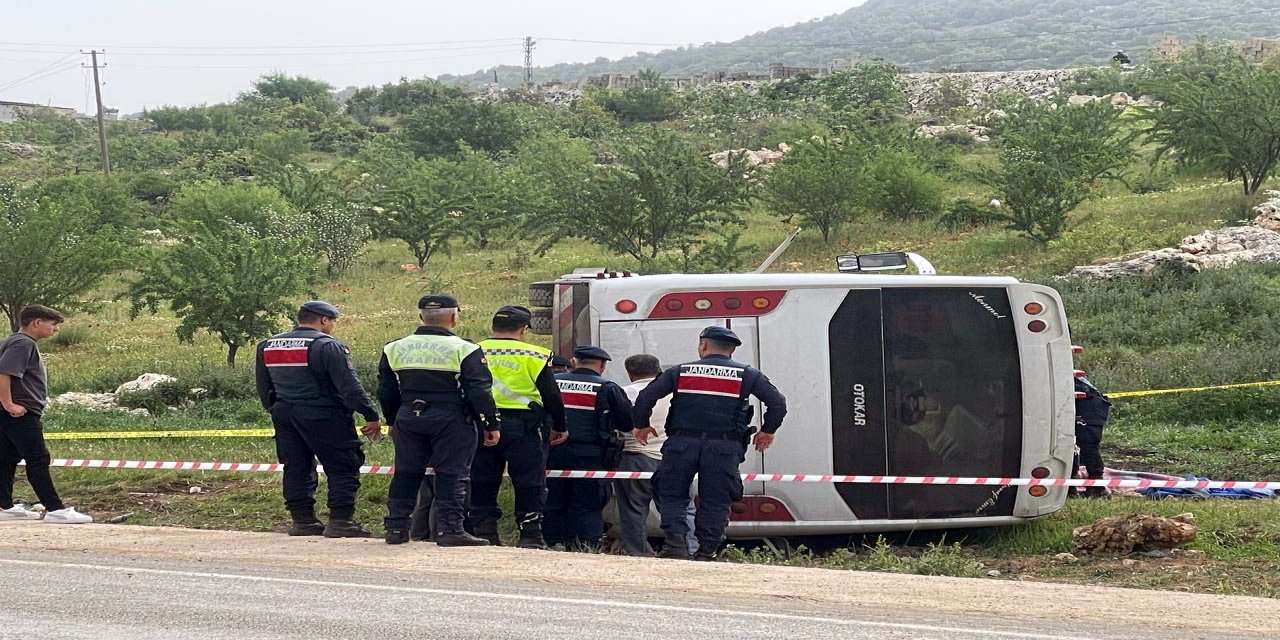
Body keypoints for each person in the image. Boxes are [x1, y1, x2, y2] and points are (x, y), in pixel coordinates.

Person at [634, 326, 787, 561]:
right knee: (716, 499)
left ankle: (676, 545)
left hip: (681, 444)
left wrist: (642, 424)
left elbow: (646, 396)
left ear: (703, 345)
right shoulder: (747, 375)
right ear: (732, 350)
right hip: (723, 448)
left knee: (672, 495)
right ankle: (706, 552)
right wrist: (767, 431)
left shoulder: (680, 372)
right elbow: (777, 403)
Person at [379, 294, 499, 546]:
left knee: (406, 472)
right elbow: (479, 391)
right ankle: (449, 529)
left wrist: (392, 421)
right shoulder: (465, 349)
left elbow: (386, 390)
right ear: (454, 317)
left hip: (408, 415)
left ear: (421, 316)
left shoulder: (394, 347)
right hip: (451, 417)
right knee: (452, 472)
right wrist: (490, 423)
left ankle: (396, 528)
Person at [255, 300, 381, 538]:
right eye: (333, 321)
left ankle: (302, 521)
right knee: (343, 465)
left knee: (296, 466)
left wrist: (274, 410)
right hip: (324, 414)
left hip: (285, 413)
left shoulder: (268, 345)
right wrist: (370, 414)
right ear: (324, 320)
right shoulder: (327, 346)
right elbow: (349, 387)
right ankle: (340, 521)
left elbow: (263, 385)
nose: (333, 325)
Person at [467, 305, 568, 548]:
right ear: (523, 329)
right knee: (529, 481)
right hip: (524, 426)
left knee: (482, 479)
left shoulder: (472, 350)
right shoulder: (536, 354)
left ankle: (485, 532)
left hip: (481, 424)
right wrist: (560, 424)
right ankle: (530, 535)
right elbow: (551, 394)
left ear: (492, 326)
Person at [0, 305, 92, 524]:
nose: (55, 329)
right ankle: (55, 509)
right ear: (37, 322)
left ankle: (4, 506)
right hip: (19, 413)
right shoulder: (23, 343)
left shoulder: (11, 341)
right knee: (38, 458)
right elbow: (4, 373)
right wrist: (9, 404)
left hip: (8, 414)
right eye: (53, 324)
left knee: (7, 458)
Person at [546, 345, 631, 550]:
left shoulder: (554, 382)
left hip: (553, 451)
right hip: (591, 455)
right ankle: (586, 546)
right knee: (588, 503)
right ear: (602, 366)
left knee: (553, 500)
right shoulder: (607, 388)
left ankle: (552, 543)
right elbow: (627, 422)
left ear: (573, 362)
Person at [614, 354, 697, 557]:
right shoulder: (676, 393)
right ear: (659, 370)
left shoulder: (624, 393)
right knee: (682, 507)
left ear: (629, 373)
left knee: (633, 510)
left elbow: (615, 425)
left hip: (635, 458)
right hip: (674, 459)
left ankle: (639, 554)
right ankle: (688, 549)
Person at [1073, 375, 1112, 499]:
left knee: (1088, 446)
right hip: (1086, 407)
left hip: (1090, 410)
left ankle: (1097, 488)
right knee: (1071, 446)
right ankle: (1070, 486)